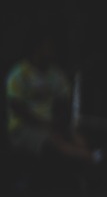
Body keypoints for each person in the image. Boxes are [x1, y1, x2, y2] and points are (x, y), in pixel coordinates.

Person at [6, 28, 101, 170]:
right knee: (55, 142)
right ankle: (93, 158)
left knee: (77, 137)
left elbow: (64, 102)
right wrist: (45, 125)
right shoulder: (19, 74)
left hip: (52, 125)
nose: (52, 51)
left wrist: (60, 122)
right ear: (37, 48)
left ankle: (91, 162)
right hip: (23, 128)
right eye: (48, 47)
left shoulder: (56, 75)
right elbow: (17, 107)